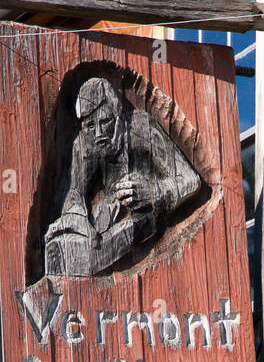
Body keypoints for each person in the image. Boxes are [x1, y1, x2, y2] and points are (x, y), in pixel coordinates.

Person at [44, 75, 201, 277]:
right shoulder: (84, 143)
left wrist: (153, 192)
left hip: (142, 216)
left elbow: (191, 179)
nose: (99, 133)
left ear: (117, 115)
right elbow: (73, 194)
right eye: (91, 126)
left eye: (105, 122)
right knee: (61, 248)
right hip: (105, 220)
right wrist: (80, 224)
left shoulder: (141, 127)